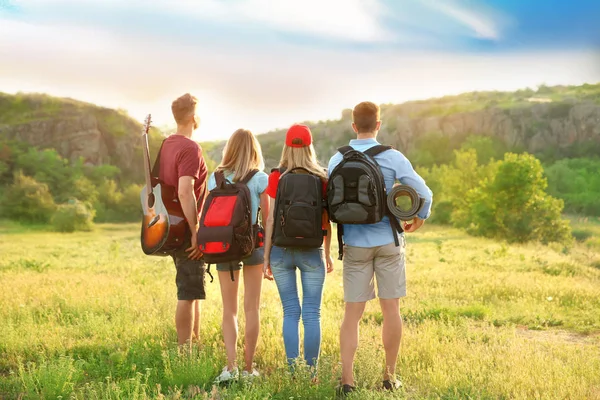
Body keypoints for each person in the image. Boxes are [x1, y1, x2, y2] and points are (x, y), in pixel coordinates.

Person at [328, 102, 433, 395]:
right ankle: (389, 377)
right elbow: (425, 193)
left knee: (352, 314)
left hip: (354, 244)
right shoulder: (392, 156)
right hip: (388, 240)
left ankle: (347, 381)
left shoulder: (337, 159)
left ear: (353, 126)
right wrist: (419, 218)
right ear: (378, 125)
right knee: (391, 310)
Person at [263, 124, 334, 372]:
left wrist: (266, 258)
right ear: (309, 147)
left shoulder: (276, 177)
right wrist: (327, 252)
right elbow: (326, 220)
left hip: (281, 250)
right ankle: (311, 372)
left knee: (291, 311)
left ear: (286, 147)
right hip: (312, 251)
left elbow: (270, 219)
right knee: (312, 314)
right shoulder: (321, 177)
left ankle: (294, 371)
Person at [208, 129, 270, 384]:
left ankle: (230, 367)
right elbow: (267, 219)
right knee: (251, 308)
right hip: (252, 245)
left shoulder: (216, 178)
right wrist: (268, 252)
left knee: (229, 310)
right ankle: (248, 368)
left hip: (223, 245)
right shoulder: (260, 179)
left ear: (229, 149)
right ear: (254, 149)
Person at [158, 93, 208, 348]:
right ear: (192, 117)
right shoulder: (190, 147)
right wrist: (195, 229)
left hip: (170, 225)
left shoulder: (167, 143)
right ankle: (184, 350)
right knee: (187, 293)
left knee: (193, 287)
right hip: (184, 227)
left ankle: (195, 341)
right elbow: (184, 190)